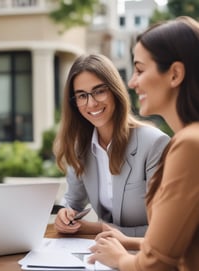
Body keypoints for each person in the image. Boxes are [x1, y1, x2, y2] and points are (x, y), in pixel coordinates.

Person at [88, 16, 199, 270]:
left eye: (139, 69)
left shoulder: (189, 145)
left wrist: (118, 258)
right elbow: (186, 240)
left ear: (175, 74)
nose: (131, 82)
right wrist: (132, 243)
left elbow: (155, 265)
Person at [53, 53, 170, 237]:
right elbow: (73, 202)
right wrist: (65, 215)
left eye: (99, 91)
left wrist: (99, 228)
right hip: (103, 254)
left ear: (115, 91)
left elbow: (167, 230)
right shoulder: (80, 147)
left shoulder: (154, 143)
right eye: (82, 95)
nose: (91, 103)